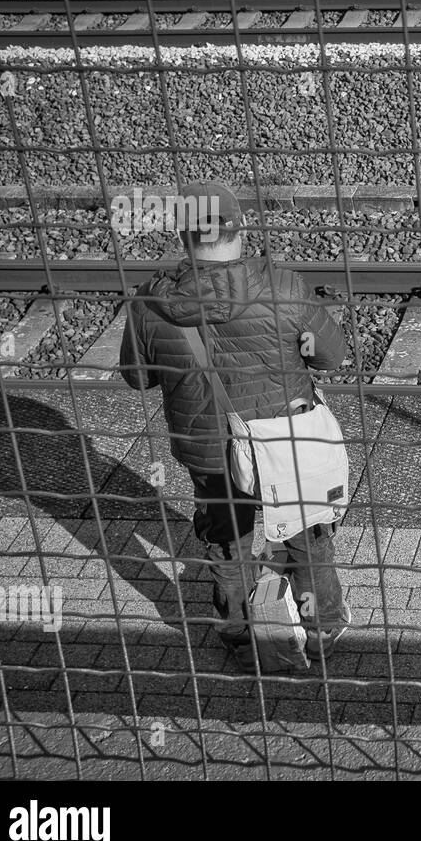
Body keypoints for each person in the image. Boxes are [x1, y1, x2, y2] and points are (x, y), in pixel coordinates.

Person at [118, 182, 350, 670]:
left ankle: (241, 637)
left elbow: (137, 378)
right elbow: (332, 356)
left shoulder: (149, 302)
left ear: (184, 234)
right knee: (306, 534)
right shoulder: (285, 287)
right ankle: (320, 629)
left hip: (208, 447)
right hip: (285, 441)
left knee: (228, 541)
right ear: (239, 229)